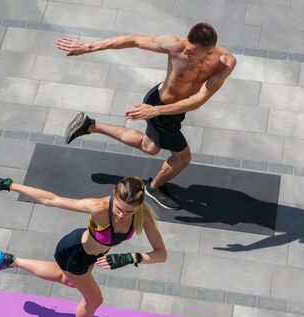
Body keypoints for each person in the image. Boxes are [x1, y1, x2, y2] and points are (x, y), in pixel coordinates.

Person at [0, 172, 167, 317]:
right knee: (94, 299)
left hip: (91, 255)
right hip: (74, 254)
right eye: (119, 208)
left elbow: (161, 254)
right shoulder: (98, 207)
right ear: (113, 195)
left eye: (129, 212)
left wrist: (130, 258)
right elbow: (52, 199)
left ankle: (11, 260)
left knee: (67, 280)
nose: (122, 215)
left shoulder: (143, 215)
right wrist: (10, 185)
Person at [57, 22, 236, 210]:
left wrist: (156, 111)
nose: (185, 52)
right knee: (182, 158)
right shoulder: (176, 45)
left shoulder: (226, 62)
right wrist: (89, 47)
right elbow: (134, 40)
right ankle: (154, 187)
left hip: (165, 110)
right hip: (160, 107)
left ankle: (89, 125)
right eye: (186, 47)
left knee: (149, 146)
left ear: (207, 52)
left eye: (192, 52)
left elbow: (199, 100)